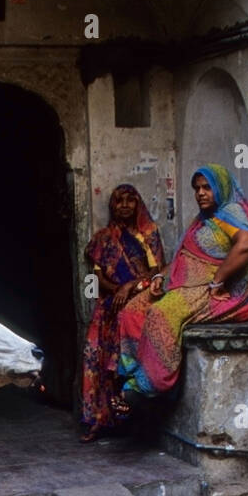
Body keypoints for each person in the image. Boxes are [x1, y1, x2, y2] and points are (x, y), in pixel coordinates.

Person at [116, 163, 248, 400]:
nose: (201, 193)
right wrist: (160, 276)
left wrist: (217, 283)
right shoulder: (205, 218)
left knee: (161, 314)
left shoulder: (230, 212)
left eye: (207, 187)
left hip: (208, 289)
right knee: (131, 311)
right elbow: (183, 255)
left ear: (221, 187)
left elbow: (246, 244)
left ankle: (153, 384)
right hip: (182, 283)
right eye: (197, 188)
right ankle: (138, 370)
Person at [80, 184, 166, 442]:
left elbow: (156, 271)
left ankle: (135, 426)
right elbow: (97, 275)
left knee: (128, 365)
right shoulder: (103, 238)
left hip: (137, 305)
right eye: (120, 201)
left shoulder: (148, 234)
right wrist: (116, 290)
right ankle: (98, 420)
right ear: (113, 205)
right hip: (108, 306)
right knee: (97, 360)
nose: (125, 205)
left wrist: (129, 288)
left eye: (131, 200)